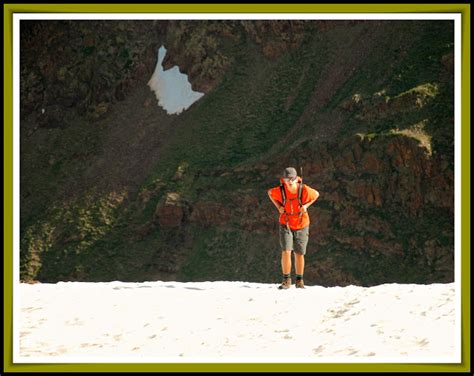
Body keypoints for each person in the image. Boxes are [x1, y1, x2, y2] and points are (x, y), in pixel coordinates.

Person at [267, 167, 319, 289]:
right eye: (287, 179)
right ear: (283, 179)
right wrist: (279, 206)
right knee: (286, 251)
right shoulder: (280, 190)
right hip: (286, 223)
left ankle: (299, 281)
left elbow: (316, 194)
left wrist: (306, 206)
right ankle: (286, 281)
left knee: (299, 253)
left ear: (297, 179)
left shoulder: (303, 189)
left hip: (302, 223)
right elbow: (270, 193)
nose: (290, 181)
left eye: (292, 179)